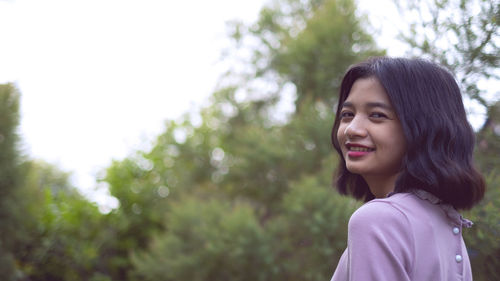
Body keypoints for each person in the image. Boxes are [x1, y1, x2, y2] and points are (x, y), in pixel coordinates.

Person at [329, 57, 485, 281]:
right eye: (347, 114)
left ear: (424, 128)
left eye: (377, 115)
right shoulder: (445, 222)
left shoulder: (378, 220)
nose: (352, 129)